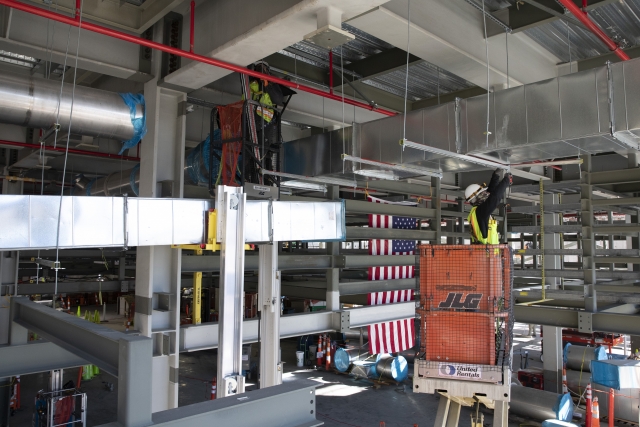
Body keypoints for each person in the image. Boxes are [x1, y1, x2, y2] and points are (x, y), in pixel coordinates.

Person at [465, 169, 512, 244]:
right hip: (487, 253)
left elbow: (491, 194)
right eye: (482, 194)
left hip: (488, 253)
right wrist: (506, 181)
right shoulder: (480, 212)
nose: (485, 194)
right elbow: (494, 198)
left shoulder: (477, 212)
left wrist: (496, 176)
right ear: (477, 198)